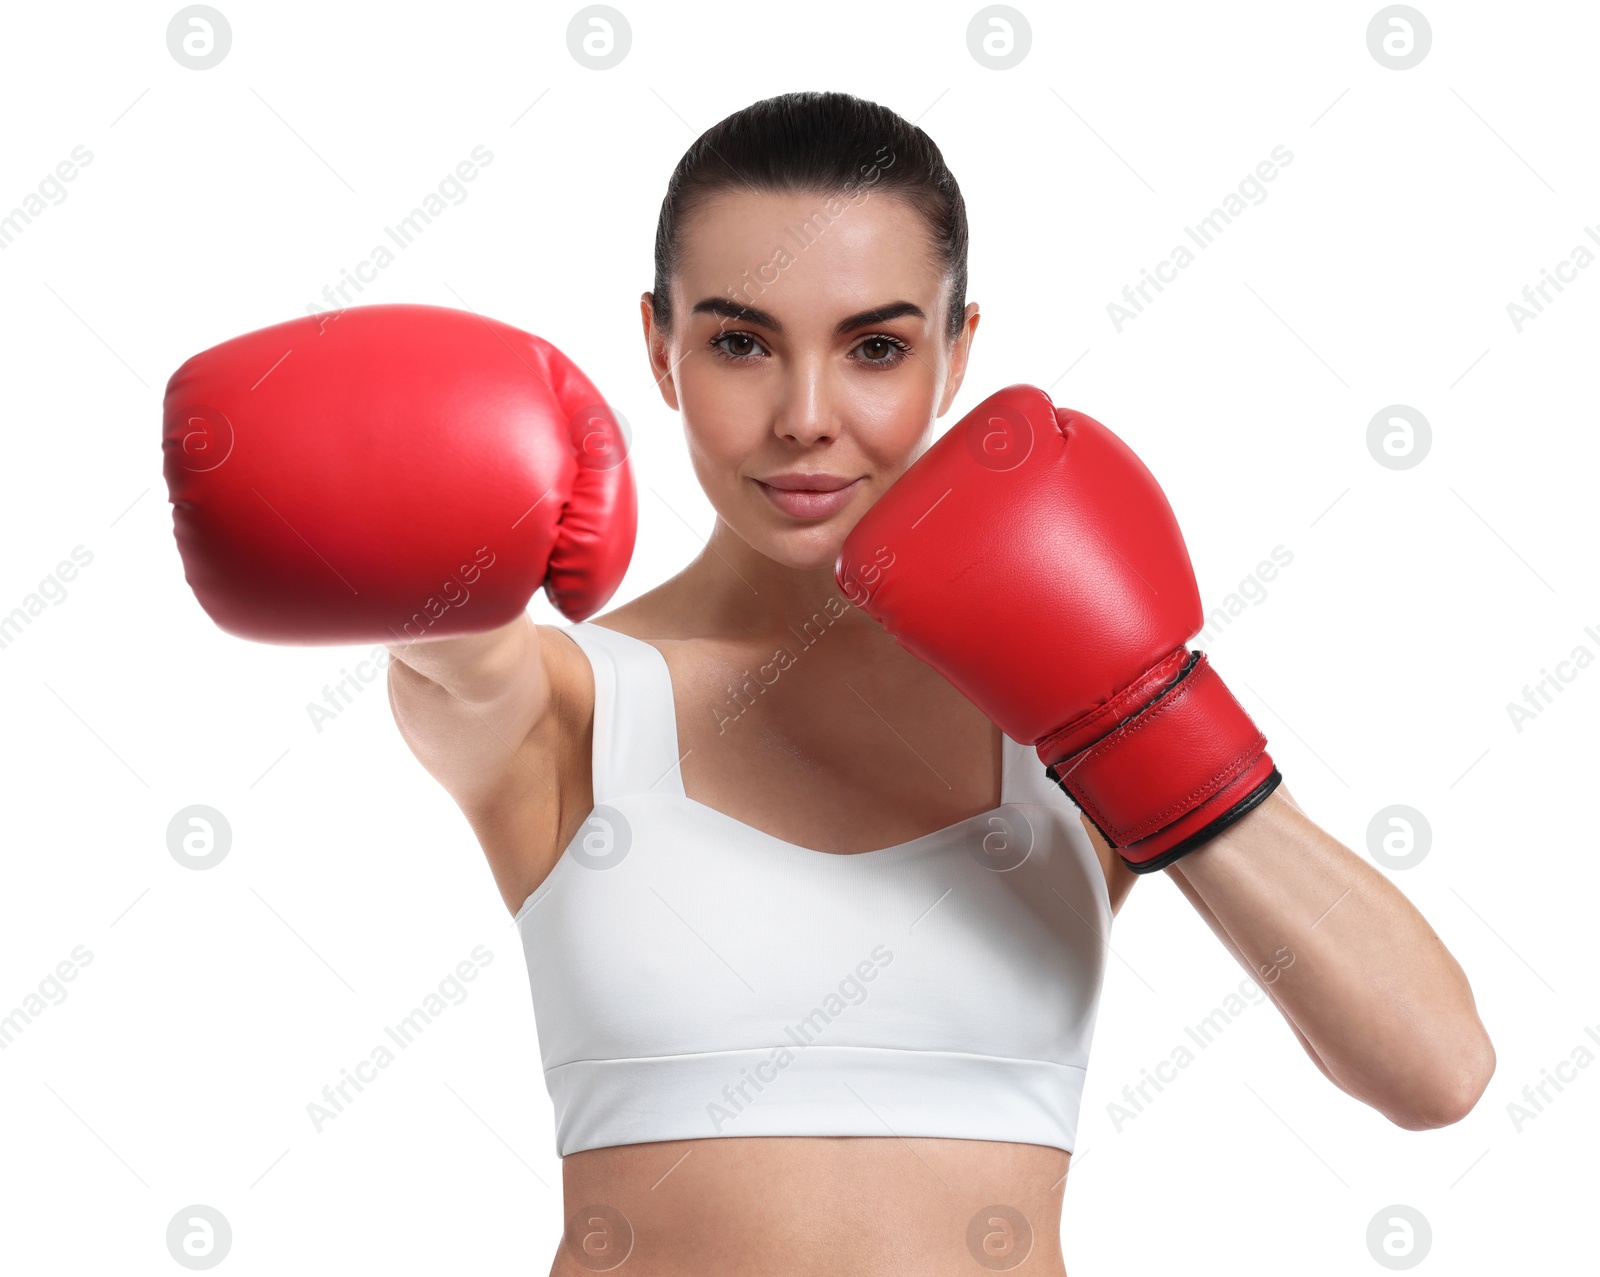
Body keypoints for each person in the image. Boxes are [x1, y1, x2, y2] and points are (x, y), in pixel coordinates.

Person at [164, 91, 1495, 1277]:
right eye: (741, 343)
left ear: (958, 351)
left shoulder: (1058, 701)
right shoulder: (566, 701)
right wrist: (417, 525)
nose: (805, 413)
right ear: (658, 347)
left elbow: (1437, 1071)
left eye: (875, 346)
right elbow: (451, 648)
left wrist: (1143, 708)